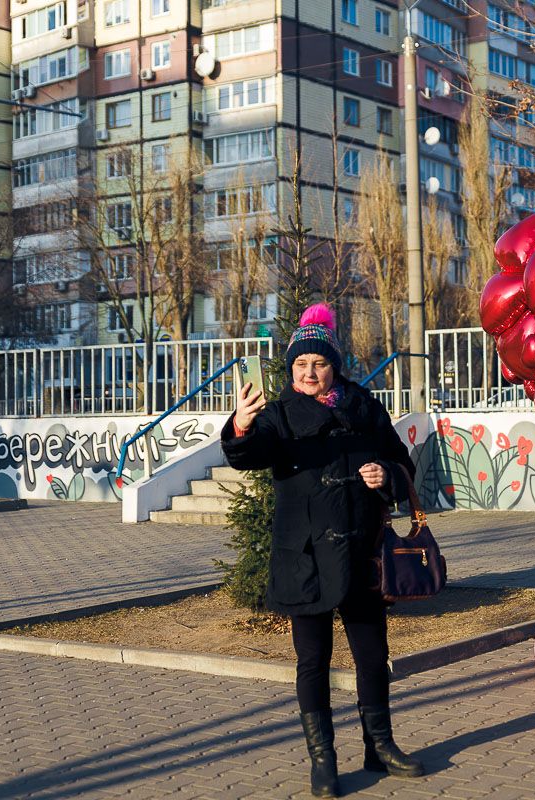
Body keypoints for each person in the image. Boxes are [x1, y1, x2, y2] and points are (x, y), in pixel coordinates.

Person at [221, 304, 423, 798]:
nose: (309, 373)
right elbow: (247, 457)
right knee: (312, 662)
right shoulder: (279, 415)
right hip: (305, 557)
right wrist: (242, 426)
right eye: (300, 365)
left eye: (319, 364)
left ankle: (380, 746)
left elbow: (402, 464)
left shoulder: (363, 405)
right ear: (291, 369)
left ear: (334, 365)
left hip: (361, 551)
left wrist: (386, 476)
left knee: (373, 658)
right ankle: (324, 759)